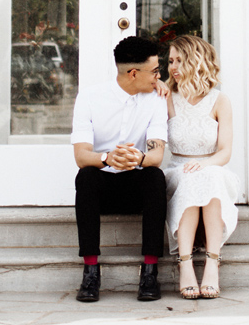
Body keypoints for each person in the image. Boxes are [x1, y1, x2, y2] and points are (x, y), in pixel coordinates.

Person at [70, 35, 168, 303]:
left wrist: (137, 159)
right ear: (133, 73)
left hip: (136, 183)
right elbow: (81, 156)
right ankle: (90, 271)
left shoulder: (156, 99)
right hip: (103, 184)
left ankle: (149, 271)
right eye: (156, 71)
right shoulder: (90, 98)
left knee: (155, 177)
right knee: (86, 176)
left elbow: (157, 155)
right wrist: (108, 159)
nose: (159, 77)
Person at [163, 35, 238, 300]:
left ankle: (211, 264)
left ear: (197, 61)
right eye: (171, 60)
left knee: (209, 176)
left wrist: (204, 164)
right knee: (193, 178)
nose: (173, 66)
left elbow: (225, 152)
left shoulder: (220, 101)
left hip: (212, 166)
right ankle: (185, 264)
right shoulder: (166, 97)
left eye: (180, 60)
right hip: (177, 170)